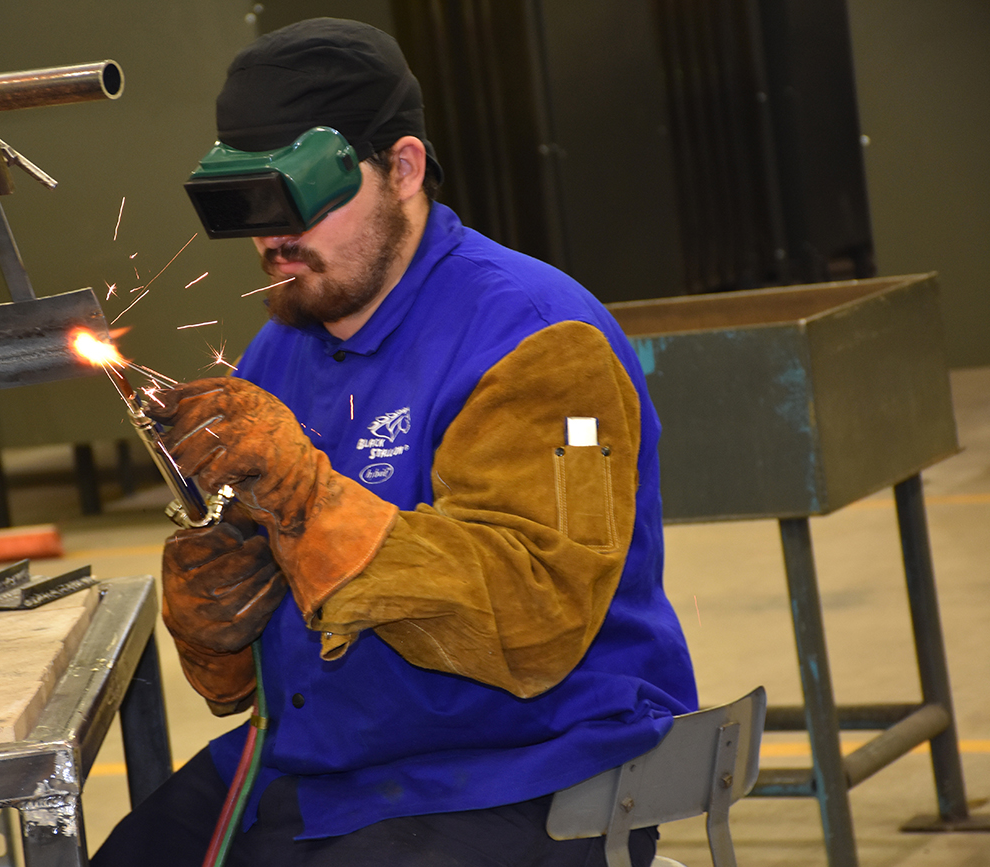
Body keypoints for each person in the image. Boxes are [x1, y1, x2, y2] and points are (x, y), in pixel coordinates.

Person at [93, 17, 696, 867]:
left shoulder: (538, 340)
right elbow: (268, 605)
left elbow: (535, 617)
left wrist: (310, 500)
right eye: (250, 206)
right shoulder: (281, 349)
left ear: (402, 168)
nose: (272, 240)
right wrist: (220, 609)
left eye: (299, 199)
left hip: (528, 765)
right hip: (330, 758)